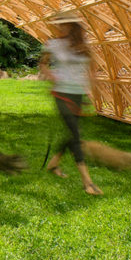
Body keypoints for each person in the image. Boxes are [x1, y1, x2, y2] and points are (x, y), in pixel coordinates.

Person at [40, 14, 103, 195]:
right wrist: (50, 76)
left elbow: (92, 69)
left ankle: (53, 164)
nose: (60, 29)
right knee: (76, 135)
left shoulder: (83, 46)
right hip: (61, 93)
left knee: (71, 132)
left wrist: (91, 88)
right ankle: (88, 182)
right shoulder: (52, 44)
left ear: (73, 26)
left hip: (78, 94)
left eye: (64, 25)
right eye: (59, 26)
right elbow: (43, 64)